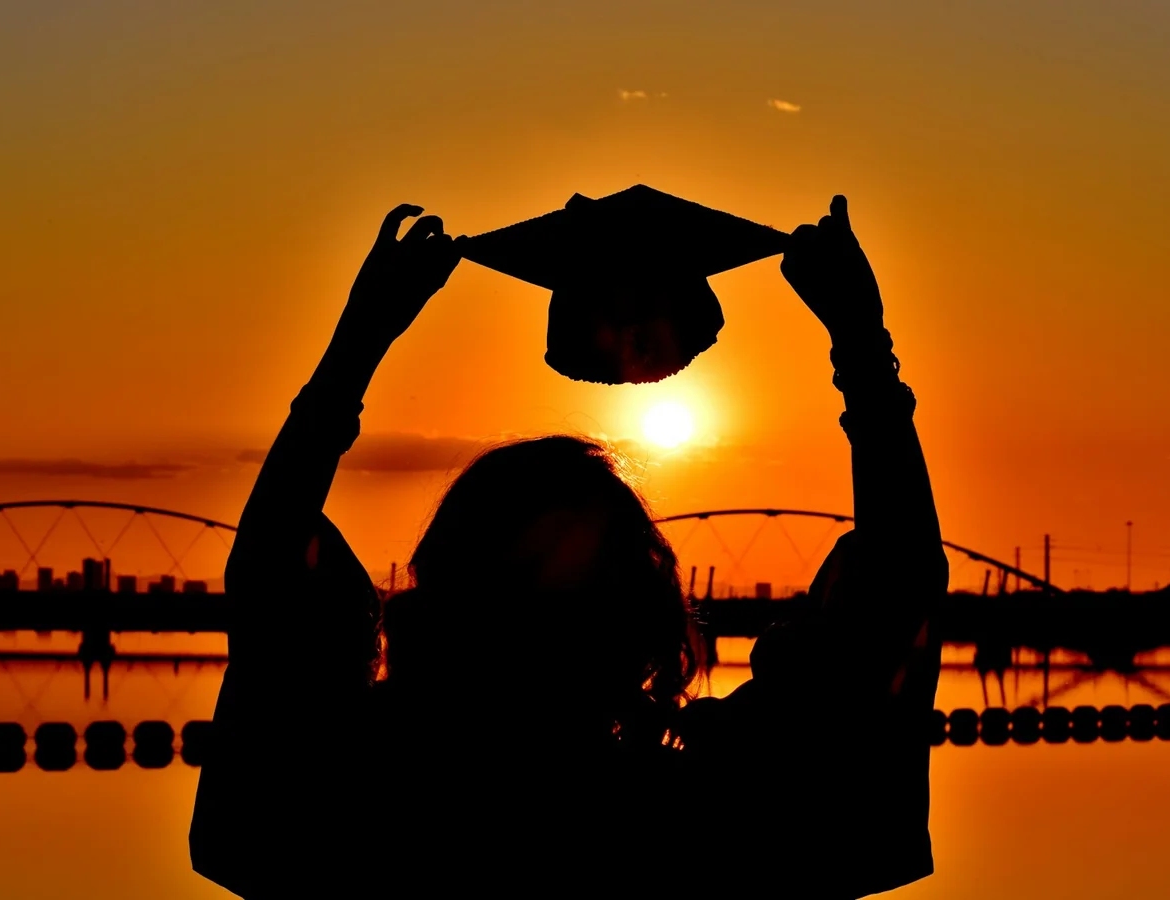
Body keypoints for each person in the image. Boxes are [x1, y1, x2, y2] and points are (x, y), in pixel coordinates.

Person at [189, 196, 947, 898]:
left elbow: (274, 581)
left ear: (439, 593)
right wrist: (861, 348)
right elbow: (890, 596)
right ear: (640, 617)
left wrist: (358, 343)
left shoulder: (342, 803)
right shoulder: (708, 820)